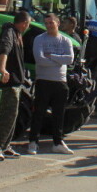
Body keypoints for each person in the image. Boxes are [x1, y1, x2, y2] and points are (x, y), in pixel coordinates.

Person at [28, 13, 75, 155]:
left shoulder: (66, 41)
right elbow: (40, 59)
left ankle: (57, 142)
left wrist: (52, 56)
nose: (48, 26)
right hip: (43, 81)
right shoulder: (39, 39)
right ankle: (33, 142)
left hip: (60, 81)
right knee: (39, 113)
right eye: (46, 23)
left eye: (51, 23)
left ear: (57, 23)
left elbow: (70, 59)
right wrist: (59, 61)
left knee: (59, 115)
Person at [0, 11, 30, 161]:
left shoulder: (17, 34)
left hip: (17, 81)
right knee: (8, 115)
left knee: (14, 115)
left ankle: (5, 145)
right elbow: (4, 50)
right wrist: (2, 69)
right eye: (28, 24)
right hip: (10, 82)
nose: (28, 27)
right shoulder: (9, 32)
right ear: (24, 22)